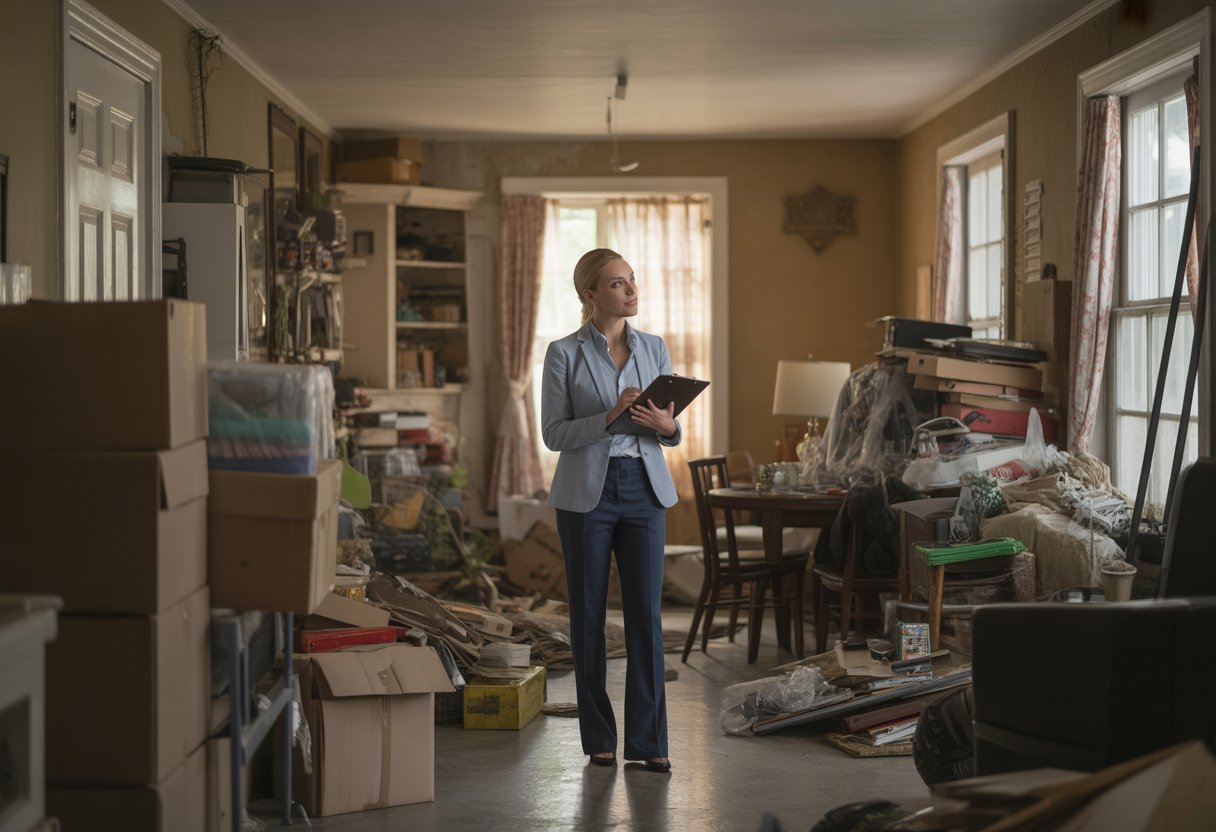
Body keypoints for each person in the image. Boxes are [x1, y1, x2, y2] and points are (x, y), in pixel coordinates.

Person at [541, 248, 681, 773]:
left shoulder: (655, 348)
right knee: (589, 617)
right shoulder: (563, 354)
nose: (631, 290)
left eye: (633, 281)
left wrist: (670, 429)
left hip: (645, 490)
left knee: (645, 616)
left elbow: (669, 424)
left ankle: (649, 743)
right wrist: (609, 415)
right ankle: (599, 737)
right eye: (619, 284)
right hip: (586, 497)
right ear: (590, 295)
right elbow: (553, 434)